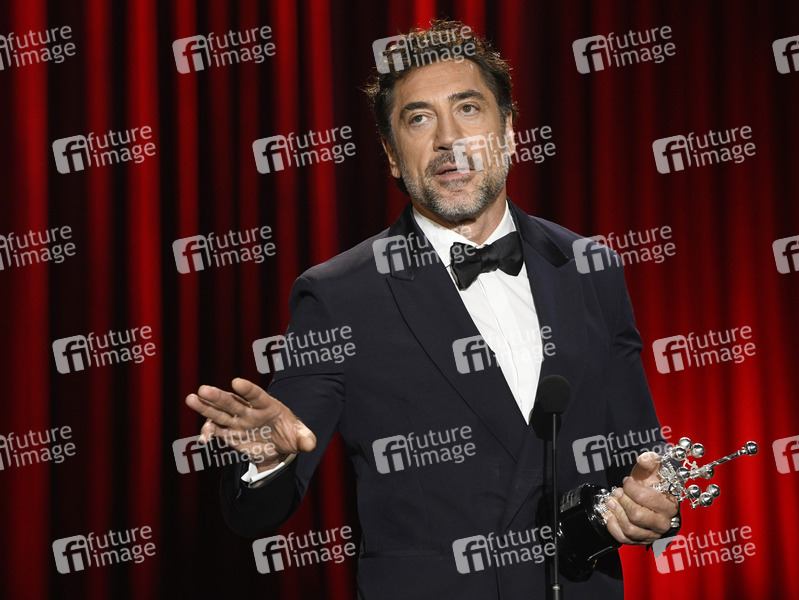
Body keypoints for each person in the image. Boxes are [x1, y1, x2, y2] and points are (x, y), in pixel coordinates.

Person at [185, 19, 678, 599]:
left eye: (468, 108)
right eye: (419, 119)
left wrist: (654, 505)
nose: (449, 138)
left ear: (509, 131)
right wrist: (266, 458)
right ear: (393, 155)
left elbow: (640, 460)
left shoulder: (591, 268)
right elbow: (256, 512)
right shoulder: (339, 295)